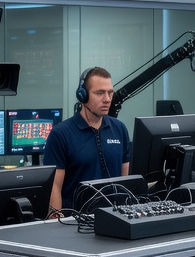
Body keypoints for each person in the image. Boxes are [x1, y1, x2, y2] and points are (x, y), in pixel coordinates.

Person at [43, 66, 130, 213]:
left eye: (110, 92)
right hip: (76, 222)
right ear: (82, 96)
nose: (107, 99)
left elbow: (125, 181)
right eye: (100, 93)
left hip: (115, 219)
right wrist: (56, 223)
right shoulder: (61, 134)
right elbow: (54, 187)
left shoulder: (119, 129)